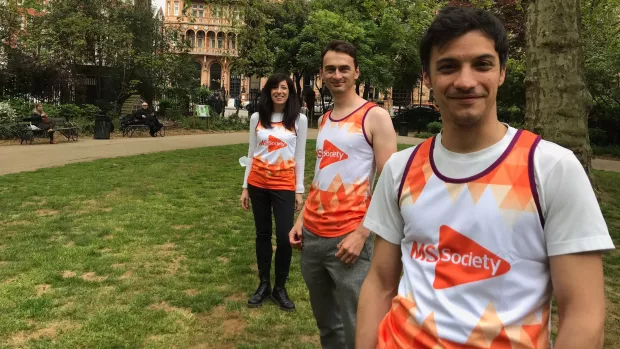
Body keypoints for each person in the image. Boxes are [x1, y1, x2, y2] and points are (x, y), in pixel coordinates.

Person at [356, 7, 615, 349]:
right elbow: (379, 282)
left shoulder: (552, 168)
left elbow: (584, 314)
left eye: (482, 64)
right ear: (428, 78)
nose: (466, 81)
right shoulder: (399, 169)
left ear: (502, 72)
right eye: (448, 66)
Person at [288, 40, 397, 349]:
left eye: (344, 69)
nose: (337, 75)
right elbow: (322, 177)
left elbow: (389, 184)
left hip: (349, 240)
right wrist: (300, 220)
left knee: (357, 326)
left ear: (356, 73)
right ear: (322, 74)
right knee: (328, 325)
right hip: (312, 237)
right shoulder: (324, 119)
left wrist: (362, 234)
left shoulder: (374, 117)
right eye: (331, 69)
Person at [240, 73, 308, 311]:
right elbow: (251, 152)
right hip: (258, 183)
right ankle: (264, 285)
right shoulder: (258, 117)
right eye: (275, 88)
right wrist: (245, 186)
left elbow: (300, 156)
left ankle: (280, 287)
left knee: (284, 237)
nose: (279, 91)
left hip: (284, 186)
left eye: (284, 87)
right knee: (262, 234)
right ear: (268, 91)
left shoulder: (299, 119)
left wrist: (298, 190)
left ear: (290, 91)